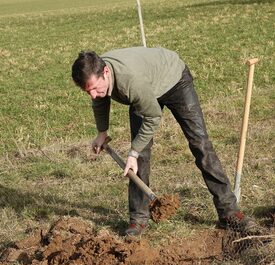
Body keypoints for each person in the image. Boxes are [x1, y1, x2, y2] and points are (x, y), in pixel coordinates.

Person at [71, 47, 258, 236]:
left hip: (174, 80)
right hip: (146, 85)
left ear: (106, 72)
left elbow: (153, 116)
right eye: (88, 91)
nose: (93, 95)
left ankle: (229, 213)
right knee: (140, 159)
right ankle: (138, 220)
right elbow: (100, 100)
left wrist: (132, 152)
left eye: (95, 88)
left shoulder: (130, 81)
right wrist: (102, 132)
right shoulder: (97, 73)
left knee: (200, 144)